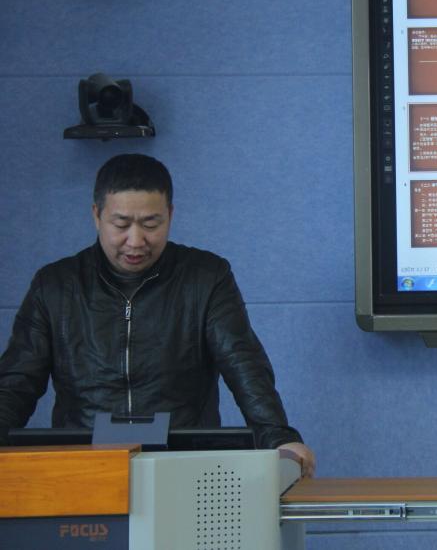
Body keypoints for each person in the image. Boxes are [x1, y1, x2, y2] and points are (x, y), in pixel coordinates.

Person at [0, 154, 315, 477]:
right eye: (121, 225)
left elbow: (243, 363)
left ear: (170, 215)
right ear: (97, 215)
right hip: (84, 470)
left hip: (186, 466)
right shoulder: (55, 285)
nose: (136, 241)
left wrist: (279, 437)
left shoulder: (206, 277)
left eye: (151, 224)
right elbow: (16, 383)